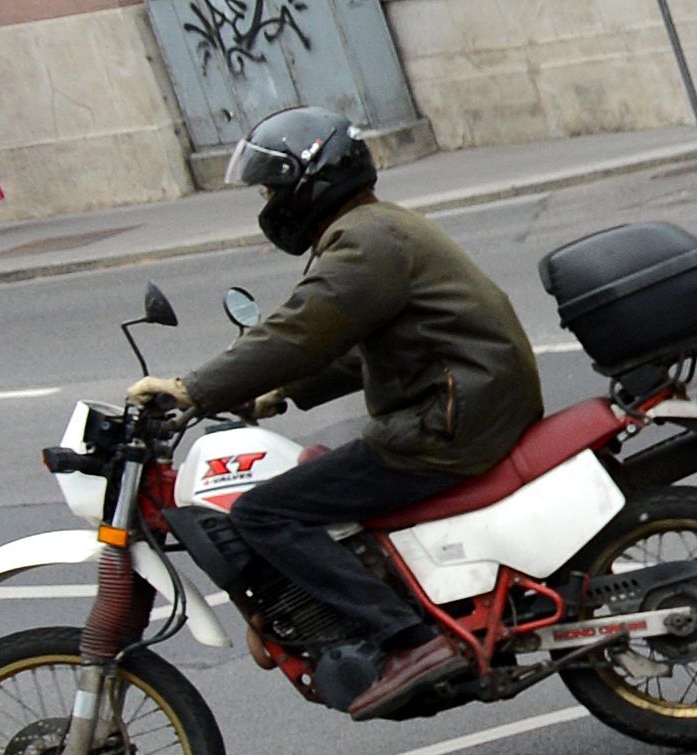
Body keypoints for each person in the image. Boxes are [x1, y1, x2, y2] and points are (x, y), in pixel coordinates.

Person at [125, 107, 544, 720]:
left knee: (264, 512)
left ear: (309, 182)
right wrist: (280, 393)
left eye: (270, 188)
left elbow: (297, 333)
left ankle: (411, 641)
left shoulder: (363, 243)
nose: (267, 201)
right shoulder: (374, 229)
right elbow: (365, 344)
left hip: (449, 421)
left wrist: (192, 390)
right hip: (464, 401)